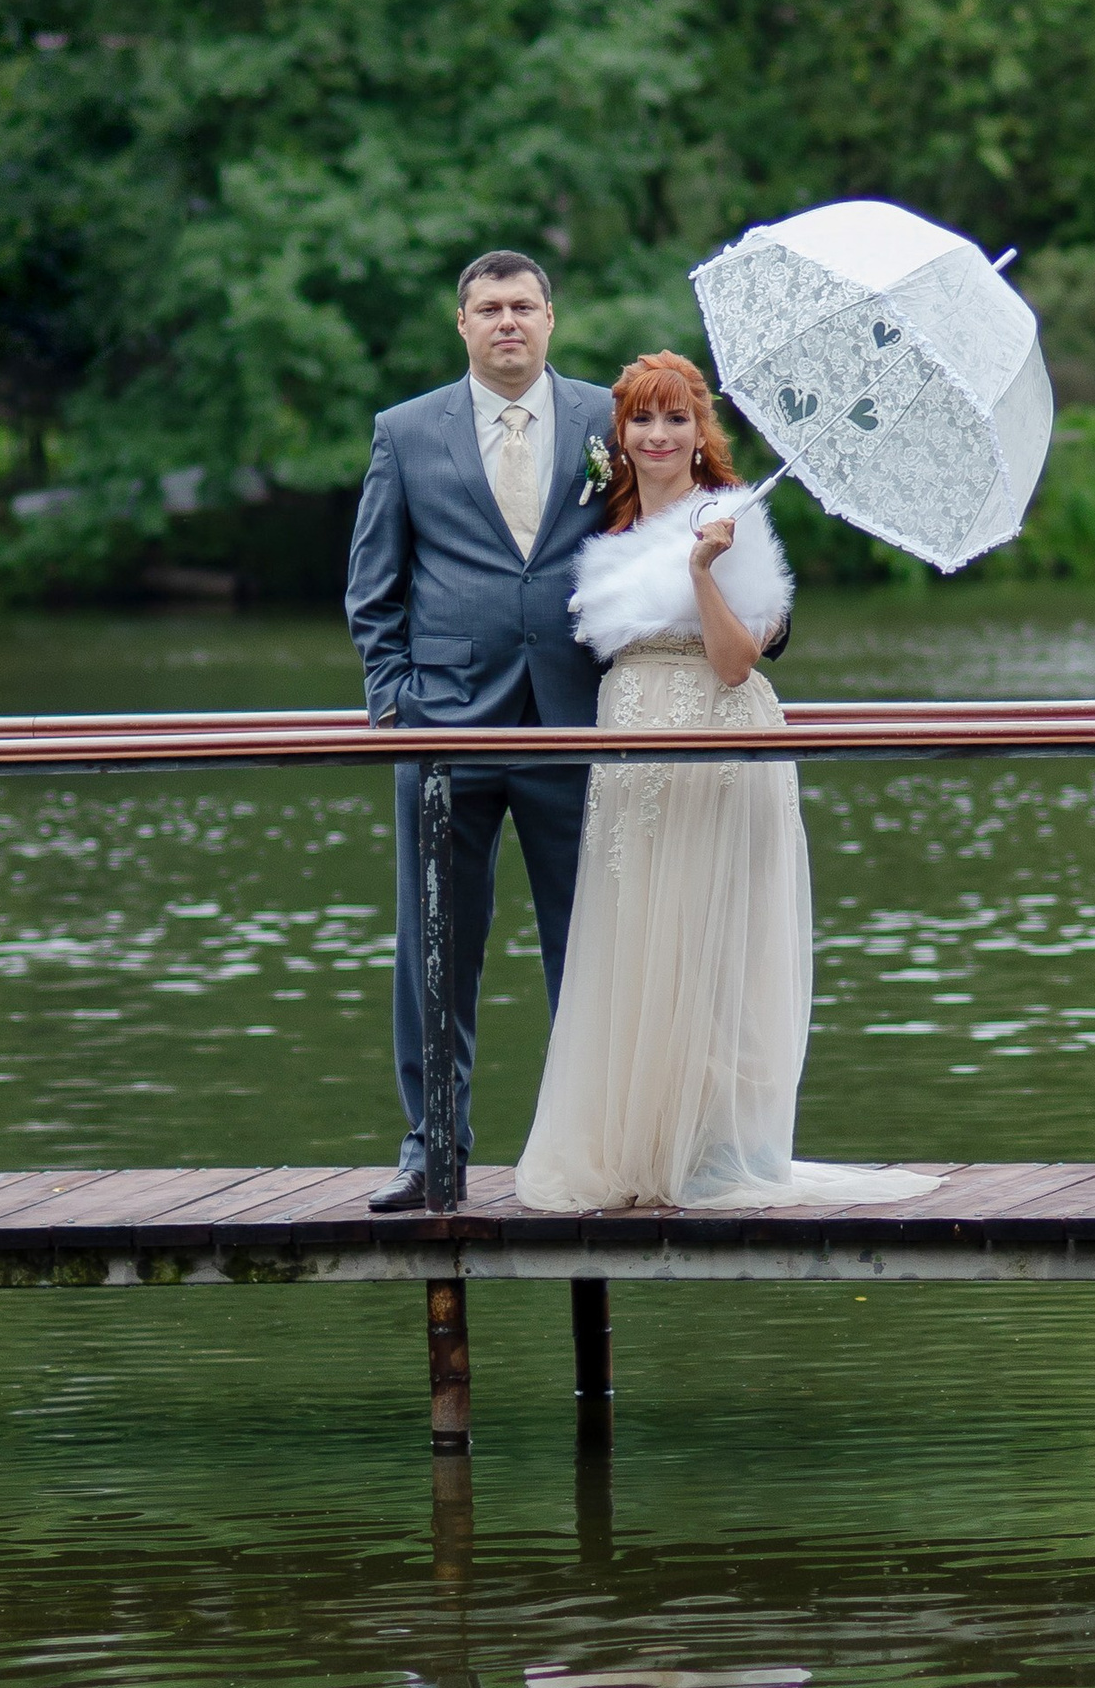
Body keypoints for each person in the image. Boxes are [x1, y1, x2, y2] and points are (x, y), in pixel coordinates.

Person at [516, 352, 929, 1214]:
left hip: (712, 726)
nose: (659, 436)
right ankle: (640, 1145)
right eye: (642, 420)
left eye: (676, 420)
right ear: (619, 436)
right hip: (631, 733)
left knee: (708, 933)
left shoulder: (730, 522)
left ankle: (712, 1149)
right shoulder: (612, 532)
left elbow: (738, 663)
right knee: (642, 932)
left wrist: (702, 571)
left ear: (702, 432)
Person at [346, 253, 615, 1212]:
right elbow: (373, 589)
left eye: (524, 307)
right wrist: (393, 706)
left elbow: (644, 545)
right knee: (434, 949)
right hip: (443, 730)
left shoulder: (606, 422)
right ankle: (433, 1151)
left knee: (586, 947)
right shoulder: (406, 431)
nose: (509, 322)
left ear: (553, 319)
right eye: (489, 308)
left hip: (573, 723)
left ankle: (592, 1146)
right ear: (461, 324)